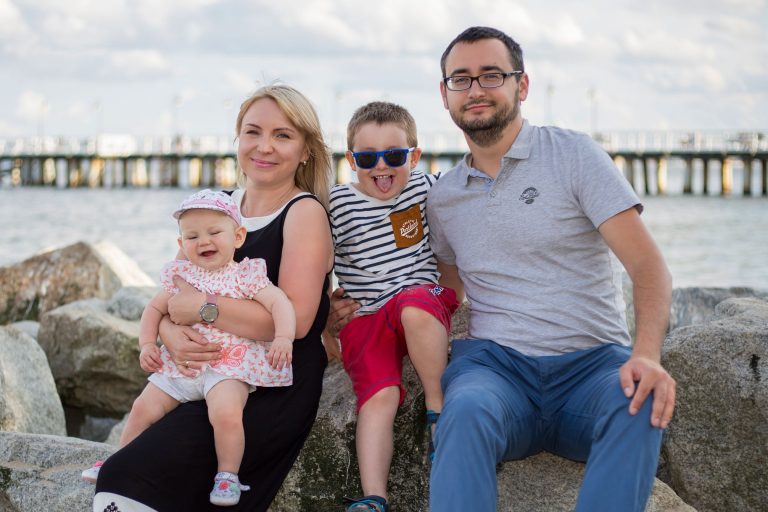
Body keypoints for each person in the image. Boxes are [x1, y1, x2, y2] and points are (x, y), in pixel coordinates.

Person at [331, 26, 676, 512]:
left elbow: (648, 266)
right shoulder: (443, 196)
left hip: (591, 366)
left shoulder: (574, 155)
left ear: (522, 84)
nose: (475, 89)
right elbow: (441, 286)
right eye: (461, 79)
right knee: (463, 408)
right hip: (496, 372)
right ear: (445, 95)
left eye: (491, 75)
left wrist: (647, 355)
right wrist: (346, 308)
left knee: (640, 400)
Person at [93, 84, 334, 512]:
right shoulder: (216, 206)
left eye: (282, 135)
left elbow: (295, 322)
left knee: (128, 475)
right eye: (253, 132)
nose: (264, 146)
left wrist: (206, 309)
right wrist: (169, 332)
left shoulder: (304, 213)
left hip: (268, 383)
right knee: (125, 468)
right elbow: (173, 293)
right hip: (195, 376)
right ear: (238, 139)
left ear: (306, 151)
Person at [83, 189, 297, 507]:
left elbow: (280, 303)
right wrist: (146, 344)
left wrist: (283, 338)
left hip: (228, 365)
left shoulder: (245, 276)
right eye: (192, 236)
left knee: (226, 413)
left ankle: (227, 475)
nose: (203, 241)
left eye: (214, 233)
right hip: (182, 367)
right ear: (181, 244)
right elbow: (154, 309)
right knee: (142, 408)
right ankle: (118, 457)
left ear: (238, 236)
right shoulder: (182, 276)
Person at [326, 101, 459, 512]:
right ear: (351, 161)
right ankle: (374, 497)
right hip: (366, 315)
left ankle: (437, 408)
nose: (381, 166)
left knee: (413, 305)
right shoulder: (336, 204)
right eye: (368, 158)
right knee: (378, 395)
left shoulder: (427, 187)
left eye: (395, 156)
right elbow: (317, 266)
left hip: (420, 300)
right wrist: (325, 321)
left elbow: (478, 194)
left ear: (414, 157)